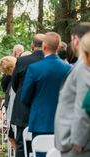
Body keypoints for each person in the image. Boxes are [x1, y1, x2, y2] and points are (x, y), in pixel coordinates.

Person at [21, 32, 71, 157]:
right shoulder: (68, 69)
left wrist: (36, 108)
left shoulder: (34, 68)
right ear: (58, 47)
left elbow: (25, 97)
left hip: (40, 122)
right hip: (64, 123)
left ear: (44, 46)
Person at [55, 22, 90, 157]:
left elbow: (84, 105)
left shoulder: (84, 66)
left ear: (75, 40)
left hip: (78, 145)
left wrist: (78, 142)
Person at [10, 33, 45, 157]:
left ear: (32, 46)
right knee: (45, 144)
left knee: (21, 145)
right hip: (44, 111)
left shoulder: (22, 61)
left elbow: (14, 85)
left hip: (23, 109)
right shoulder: (51, 62)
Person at [0, 56, 17, 150]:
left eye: (5, 71)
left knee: (12, 134)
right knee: (11, 135)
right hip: (9, 104)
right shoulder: (9, 77)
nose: (6, 73)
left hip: (16, 108)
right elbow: (6, 91)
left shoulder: (17, 76)